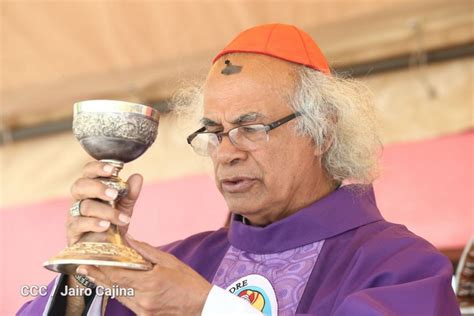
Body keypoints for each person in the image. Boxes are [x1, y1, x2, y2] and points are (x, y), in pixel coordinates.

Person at [18, 23, 460, 315]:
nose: (227, 152)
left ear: (322, 131)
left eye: (252, 128)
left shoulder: (402, 266)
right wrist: (89, 263)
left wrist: (204, 307)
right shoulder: (177, 264)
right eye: (214, 131)